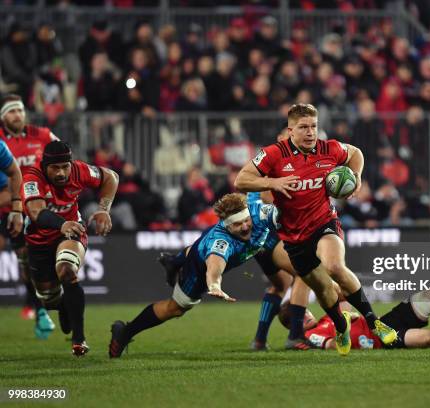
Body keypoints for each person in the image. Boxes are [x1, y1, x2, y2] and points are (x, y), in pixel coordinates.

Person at [235, 103, 397, 356]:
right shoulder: (274, 154)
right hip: (293, 238)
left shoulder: (328, 148)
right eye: (303, 127)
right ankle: (341, 325)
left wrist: (357, 176)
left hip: (324, 223)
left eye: (313, 126)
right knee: (321, 288)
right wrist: (273, 182)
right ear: (291, 130)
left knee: (334, 267)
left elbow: (356, 153)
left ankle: (375, 322)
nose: (310, 132)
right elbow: (241, 179)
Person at [108, 193, 295, 358]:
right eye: (238, 224)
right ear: (228, 226)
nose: (246, 226)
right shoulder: (220, 242)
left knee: (284, 277)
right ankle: (125, 332)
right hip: (199, 269)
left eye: (247, 220)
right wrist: (214, 285)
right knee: (177, 308)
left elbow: (285, 210)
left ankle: (174, 261)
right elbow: (215, 266)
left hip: (204, 246)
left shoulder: (257, 213)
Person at [22, 141, 118, 356]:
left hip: (71, 231)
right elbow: (37, 212)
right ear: (45, 166)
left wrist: (104, 210)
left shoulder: (79, 170)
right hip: (39, 241)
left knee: (67, 270)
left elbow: (110, 177)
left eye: (65, 166)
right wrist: (60, 223)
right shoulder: (32, 178)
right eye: (55, 168)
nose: (61, 173)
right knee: (49, 299)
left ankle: (79, 339)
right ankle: (65, 305)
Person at [278, 287, 430, 351]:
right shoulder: (311, 335)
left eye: (305, 310)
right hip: (382, 339)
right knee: (429, 339)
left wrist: (330, 288)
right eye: (301, 314)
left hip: (383, 323)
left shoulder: (326, 318)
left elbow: (342, 295)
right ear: (294, 323)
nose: (307, 312)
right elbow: (332, 345)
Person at [0, 94, 57, 337]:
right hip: (11, 210)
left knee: (49, 260)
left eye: (20, 110)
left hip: (40, 209)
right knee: (26, 260)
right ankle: (39, 307)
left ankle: (42, 304)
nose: (18, 116)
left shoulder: (42, 135)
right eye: (12, 112)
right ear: (3, 117)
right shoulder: (2, 142)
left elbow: (65, 157)